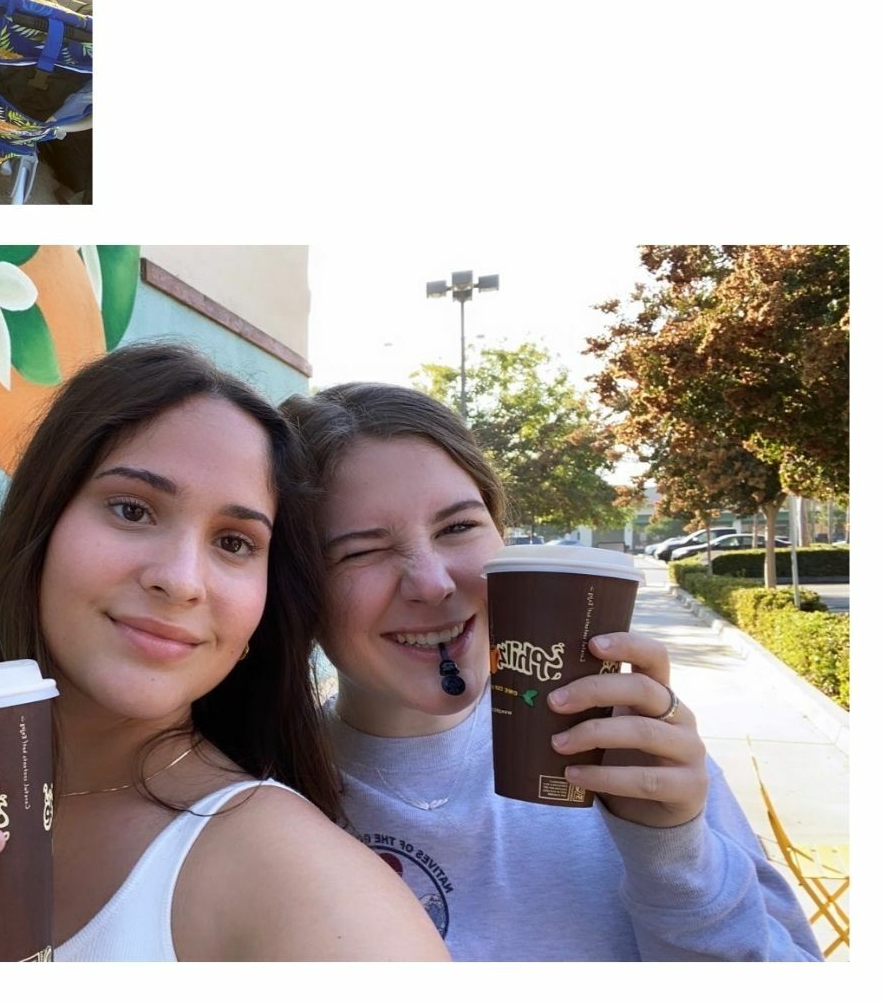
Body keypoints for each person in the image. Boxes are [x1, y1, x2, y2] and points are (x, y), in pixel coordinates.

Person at [0, 343, 450, 962]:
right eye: (132, 509)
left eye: (235, 543)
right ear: (42, 524)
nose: (179, 579)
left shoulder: (303, 888)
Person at [280, 383, 821, 960]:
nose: (434, 582)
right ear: (295, 587)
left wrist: (674, 852)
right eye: (360, 551)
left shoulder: (622, 746)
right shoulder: (257, 793)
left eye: (458, 528)